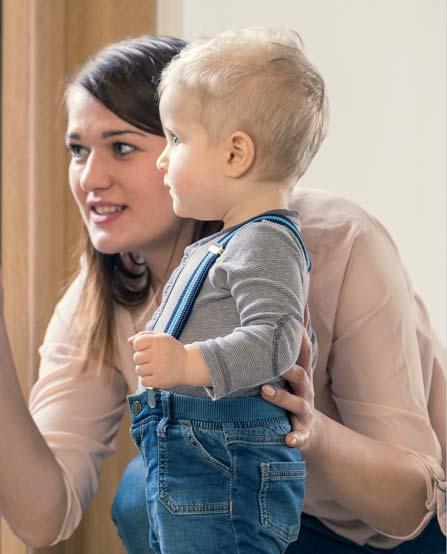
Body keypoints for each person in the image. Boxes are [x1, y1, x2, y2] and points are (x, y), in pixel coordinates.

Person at [0, 34, 444, 553]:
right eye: (78, 150)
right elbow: (41, 517)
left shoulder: (333, 242)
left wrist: (306, 427)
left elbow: (409, 508)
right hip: (245, 517)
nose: (89, 178)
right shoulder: (97, 297)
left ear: (229, 148)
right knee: (143, 492)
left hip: (383, 537)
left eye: (122, 147)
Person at [127, 27, 326, 554]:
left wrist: (189, 365)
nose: (161, 160)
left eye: (176, 138)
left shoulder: (265, 240)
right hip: (192, 451)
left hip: (222, 458)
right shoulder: (229, 240)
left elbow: (275, 339)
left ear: (236, 154)